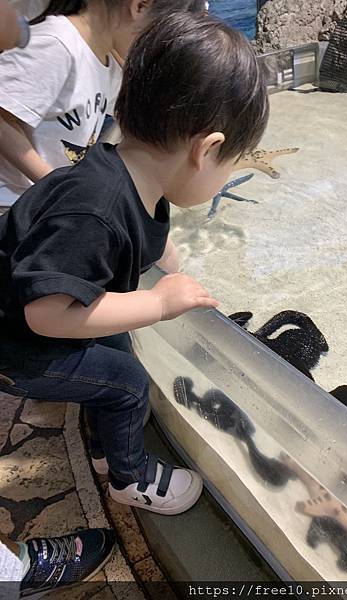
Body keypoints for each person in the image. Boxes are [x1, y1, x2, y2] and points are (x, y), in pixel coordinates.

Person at [0, 11, 269, 516]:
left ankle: (106, 441)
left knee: (119, 348)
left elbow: (137, 237)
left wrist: (167, 260)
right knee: (127, 383)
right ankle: (130, 478)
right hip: (18, 343)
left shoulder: (123, 172)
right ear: (206, 150)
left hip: (37, 313)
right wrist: (157, 302)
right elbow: (43, 313)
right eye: (235, 159)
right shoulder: (93, 209)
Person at [0, 4, 115, 597]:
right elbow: (2, 116)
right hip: (19, 220)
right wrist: (58, 192)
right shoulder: (54, 44)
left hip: (54, 218)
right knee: (34, 328)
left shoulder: (105, 61)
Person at [0, 0, 147, 207]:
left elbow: (136, 118)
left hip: (36, 202)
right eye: (158, 33)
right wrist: (56, 186)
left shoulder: (105, 63)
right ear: (139, 6)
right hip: (10, 201)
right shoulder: (57, 43)